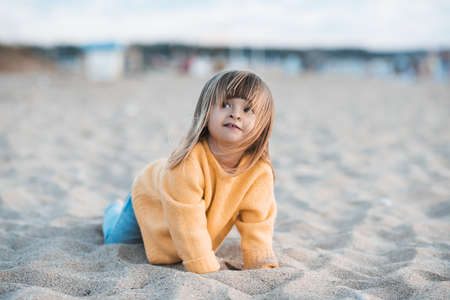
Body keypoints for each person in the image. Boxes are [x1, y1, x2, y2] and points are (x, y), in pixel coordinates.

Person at [102, 70, 279, 274]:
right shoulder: (188, 164)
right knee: (115, 240)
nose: (236, 114)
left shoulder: (259, 172)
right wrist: (205, 268)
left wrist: (260, 264)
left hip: (180, 212)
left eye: (248, 110)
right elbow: (188, 226)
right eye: (226, 105)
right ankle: (114, 209)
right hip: (151, 197)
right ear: (206, 110)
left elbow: (258, 223)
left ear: (263, 124)